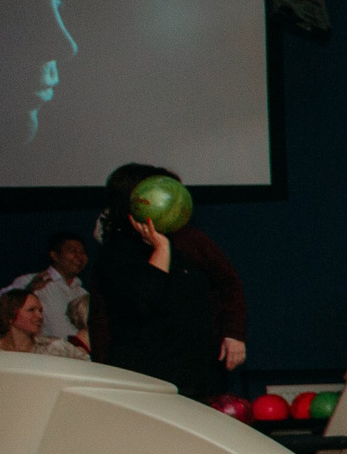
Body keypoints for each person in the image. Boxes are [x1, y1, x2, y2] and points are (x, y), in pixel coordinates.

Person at [86, 164, 247, 384]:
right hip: (143, 375)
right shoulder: (117, 253)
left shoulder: (190, 239)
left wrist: (234, 333)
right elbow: (137, 302)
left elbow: (228, 283)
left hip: (197, 372)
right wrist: (161, 249)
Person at [7, 232, 92, 356]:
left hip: (78, 357)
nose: (79, 257)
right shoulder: (31, 281)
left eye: (83, 252)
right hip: (44, 357)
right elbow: (3, 304)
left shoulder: (83, 293)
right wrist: (29, 290)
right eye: (73, 251)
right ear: (54, 255)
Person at [0, 286, 87, 358]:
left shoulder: (56, 347)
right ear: (9, 316)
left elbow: (86, 366)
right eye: (31, 310)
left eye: (40, 311)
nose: (39, 316)